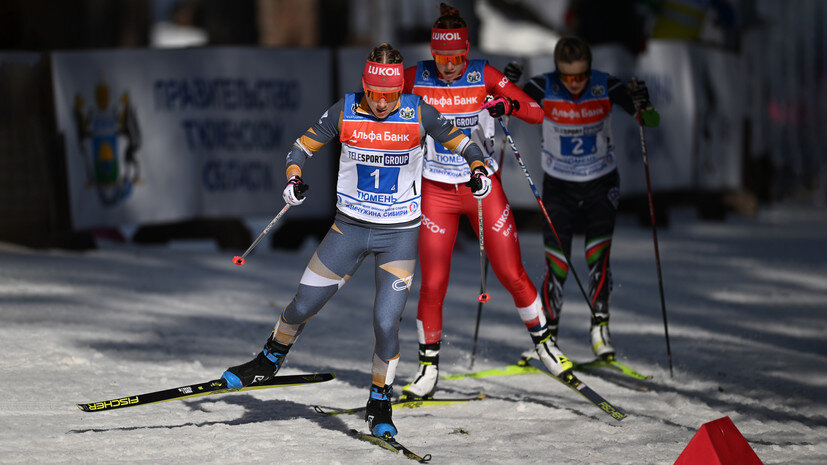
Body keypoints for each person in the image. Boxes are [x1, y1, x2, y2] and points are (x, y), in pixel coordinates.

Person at [219, 43, 490, 439]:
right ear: (364, 86)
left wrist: (478, 170)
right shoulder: (345, 110)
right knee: (301, 305)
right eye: (373, 94)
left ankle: (380, 398)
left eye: (390, 95)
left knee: (385, 322)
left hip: (398, 236)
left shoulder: (418, 112)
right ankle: (268, 360)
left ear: (401, 89)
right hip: (348, 230)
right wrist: (294, 178)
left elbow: (464, 143)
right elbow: (301, 147)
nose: (381, 103)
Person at [401, 3, 574, 400]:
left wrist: (507, 104)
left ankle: (545, 344)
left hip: (483, 186)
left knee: (511, 273)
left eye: (456, 58)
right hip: (436, 191)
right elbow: (375, 93)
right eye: (441, 58)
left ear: (467, 51)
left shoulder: (484, 74)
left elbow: (536, 111)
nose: (448, 67)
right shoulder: (417, 77)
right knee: (434, 283)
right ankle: (428, 367)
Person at [513, 36, 659, 360]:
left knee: (598, 258)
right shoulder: (543, 86)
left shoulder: (605, 85)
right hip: (559, 187)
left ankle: (600, 328)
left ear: (589, 70)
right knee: (558, 264)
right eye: (568, 77)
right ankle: (548, 336)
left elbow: (649, 119)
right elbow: (507, 107)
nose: (575, 83)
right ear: (558, 72)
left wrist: (643, 103)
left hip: (600, 184)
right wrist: (506, 87)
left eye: (581, 76)